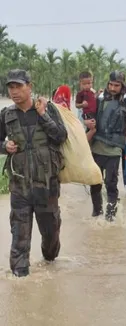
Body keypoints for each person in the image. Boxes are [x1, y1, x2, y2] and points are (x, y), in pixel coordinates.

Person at [0, 69, 68, 277]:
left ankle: (49, 259)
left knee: (50, 234)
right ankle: (20, 277)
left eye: (19, 86)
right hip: (19, 186)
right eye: (10, 87)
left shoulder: (47, 110)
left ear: (29, 86)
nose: (14, 92)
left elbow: (60, 136)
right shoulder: (6, 115)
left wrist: (43, 115)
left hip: (46, 185)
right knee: (19, 237)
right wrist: (5, 146)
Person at [87, 71, 126, 221]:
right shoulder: (100, 100)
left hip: (114, 149)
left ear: (122, 86)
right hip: (96, 147)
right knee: (95, 183)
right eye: (110, 84)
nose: (112, 87)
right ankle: (97, 213)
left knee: (111, 183)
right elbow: (89, 121)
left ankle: (110, 217)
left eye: (116, 85)